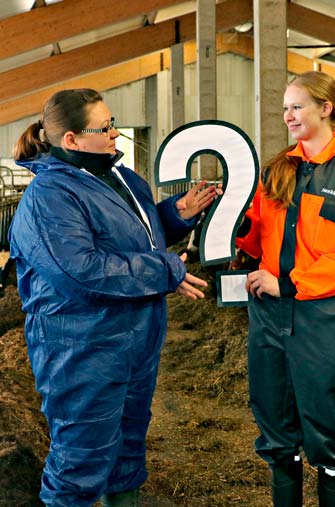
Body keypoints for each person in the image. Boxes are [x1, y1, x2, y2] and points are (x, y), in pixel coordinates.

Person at [8, 88, 220, 507]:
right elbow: (81, 272)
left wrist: (176, 215)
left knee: (126, 449)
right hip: (82, 346)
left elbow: (135, 239)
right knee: (80, 460)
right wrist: (167, 270)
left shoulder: (120, 177)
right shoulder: (50, 196)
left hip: (133, 339)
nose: (115, 133)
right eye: (104, 127)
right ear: (71, 140)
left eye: (113, 122)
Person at [235, 71, 335, 507]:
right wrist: (232, 224)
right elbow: (256, 235)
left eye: (296, 106)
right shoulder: (278, 168)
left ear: (327, 108)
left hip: (323, 317)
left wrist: (288, 284)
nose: (288, 116)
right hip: (269, 315)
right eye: (285, 108)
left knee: (325, 423)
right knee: (275, 423)